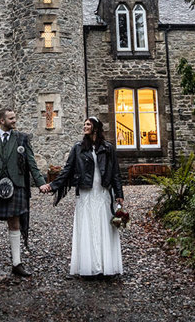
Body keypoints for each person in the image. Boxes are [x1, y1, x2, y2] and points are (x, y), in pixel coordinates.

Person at [42, 116, 124, 277]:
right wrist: (52, 185)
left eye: (88, 124)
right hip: (86, 192)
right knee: (87, 226)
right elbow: (67, 170)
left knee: (103, 227)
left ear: (96, 127)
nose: (85, 126)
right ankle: (90, 266)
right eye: (84, 124)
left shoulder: (108, 148)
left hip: (102, 193)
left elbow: (115, 172)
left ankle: (105, 266)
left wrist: (119, 194)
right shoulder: (78, 148)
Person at [0, 108, 48, 278]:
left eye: (14, 117)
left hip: (16, 185)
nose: (14, 120)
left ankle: (17, 264)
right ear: (2, 120)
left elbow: (31, 162)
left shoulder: (22, 138)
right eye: (11, 118)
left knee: (14, 222)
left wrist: (41, 183)